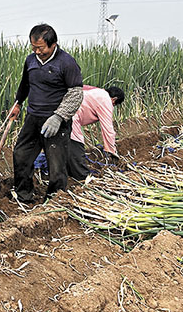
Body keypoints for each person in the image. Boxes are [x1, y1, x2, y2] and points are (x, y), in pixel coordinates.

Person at [8, 24, 83, 202]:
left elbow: (76, 93)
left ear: (53, 44)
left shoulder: (66, 63)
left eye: (40, 48)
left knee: (56, 163)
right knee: (21, 154)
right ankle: (23, 195)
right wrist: (18, 103)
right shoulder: (30, 60)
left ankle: (54, 200)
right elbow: (25, 84)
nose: (37, 52)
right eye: (34, 48)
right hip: (33, 117)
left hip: (56, 120)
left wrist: (58, 117)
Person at [68, 85, 125, 179]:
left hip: (58, 112)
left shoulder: (96, 92)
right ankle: (81, 176)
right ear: (114, 99)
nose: (112, 107)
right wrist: (111, 151)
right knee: (76, 146)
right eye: (114, 104)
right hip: (71, 117)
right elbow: (108, 129)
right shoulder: (106, 99)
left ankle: (67, 169)